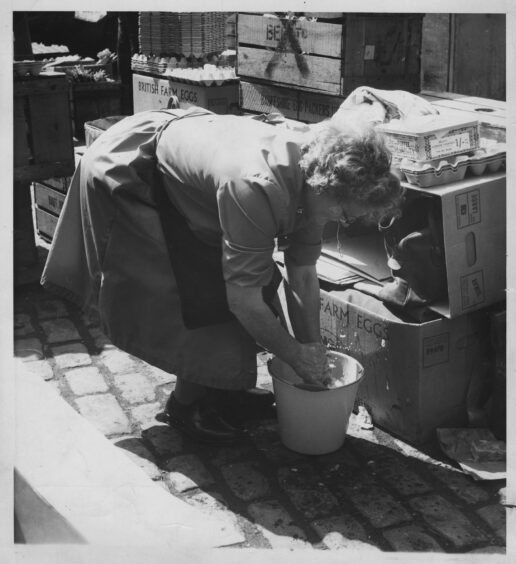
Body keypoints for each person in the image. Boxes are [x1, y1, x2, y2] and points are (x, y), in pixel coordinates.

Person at [41, 106, 404, 444]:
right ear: (324, 185)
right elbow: (242, 302)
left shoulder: (318, 185)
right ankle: (187, 406)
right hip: (135, 174)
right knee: (198, 293)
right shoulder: (257, 185)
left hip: (200, 184)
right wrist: (294, 355)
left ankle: (221, 392)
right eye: (342, 210)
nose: (343, 220)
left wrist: (312, 356)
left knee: (247, 284)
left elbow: (304, 275)